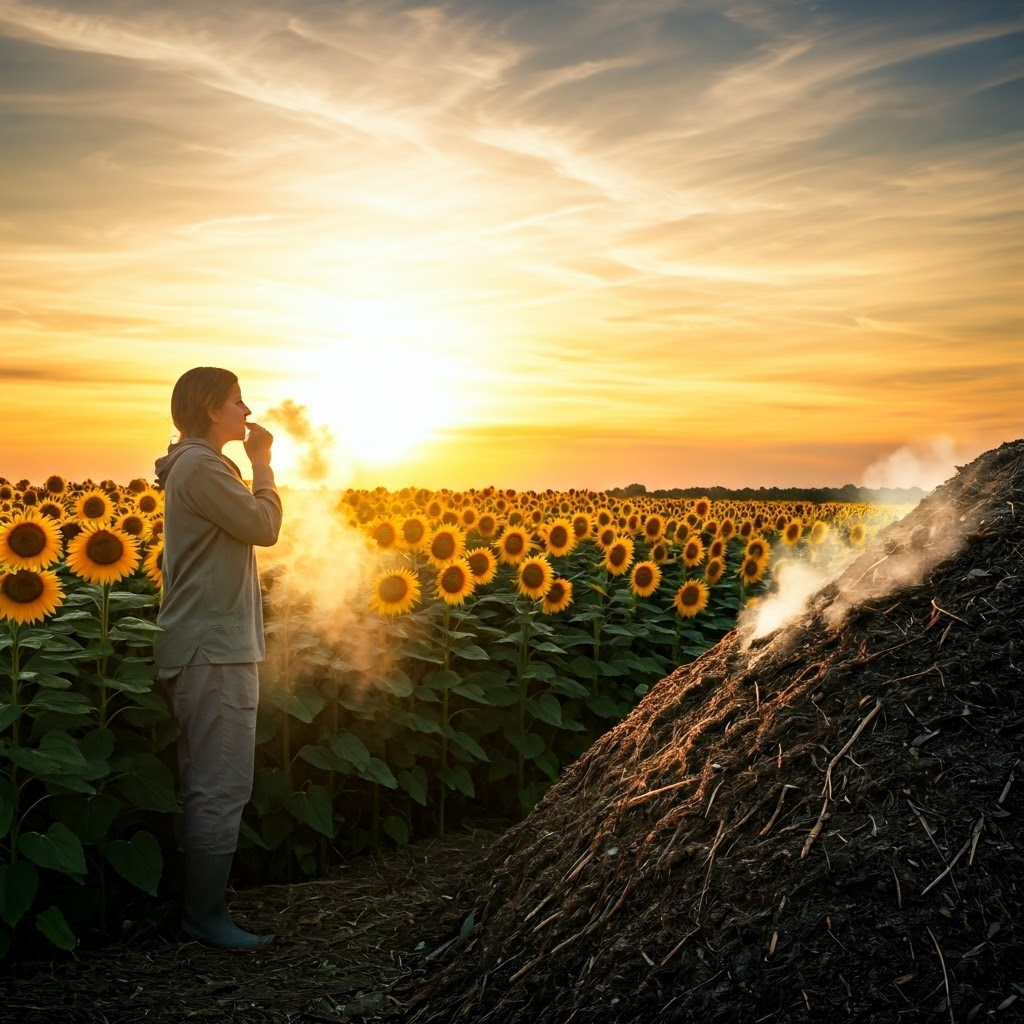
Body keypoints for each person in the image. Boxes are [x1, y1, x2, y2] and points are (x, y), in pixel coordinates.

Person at [153, 367, 283, 949]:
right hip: (214, 648)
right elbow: (264, 526)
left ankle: (200, 909)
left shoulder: (193, 466)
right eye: (236, 401)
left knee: (207, 782)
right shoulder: (203, 467)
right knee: (221, 784)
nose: (247, 409)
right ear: (210, 408)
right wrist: (263, 465)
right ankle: (204, 917)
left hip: (205, 644)